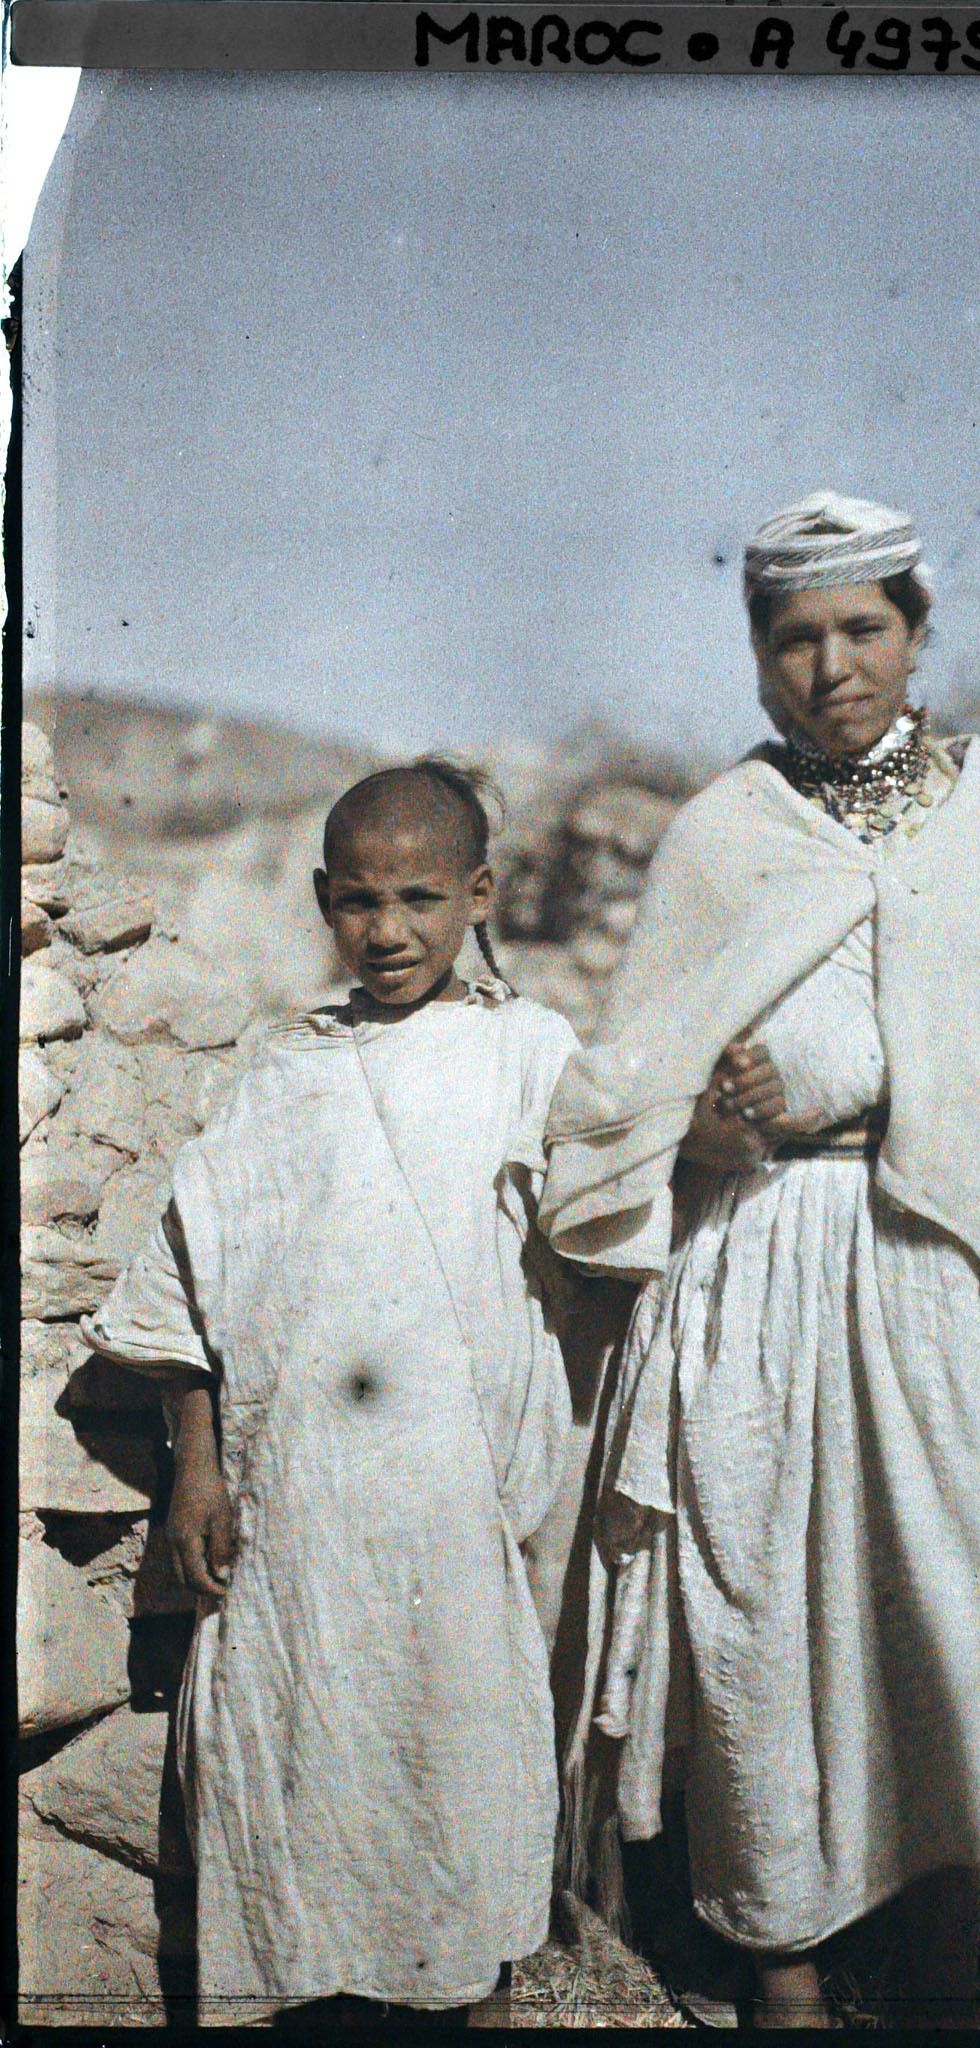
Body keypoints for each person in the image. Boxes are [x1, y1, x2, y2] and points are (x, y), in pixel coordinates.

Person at [540, 492, 980, 2026]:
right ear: (755, 653)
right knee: (757, 1603)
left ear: (914, 634)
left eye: (859, 630)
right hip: (758, 1269)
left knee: (961, 1598)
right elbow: (631, 1090)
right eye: (793, 638)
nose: (828, 666)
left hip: (936, 1276)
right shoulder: (723, 834)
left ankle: (950, 1945)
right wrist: (709, 1124)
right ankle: (779, 1953)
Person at [83, 759, 583, 2030]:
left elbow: (605, 1228)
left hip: (450, 1506)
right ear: (322, 900)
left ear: (480, 895)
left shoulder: (527, 1053)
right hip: (294, 1506)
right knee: (293, 1764)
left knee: (455, 1773)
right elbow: (192, 1281)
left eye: (421, 897)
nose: (389, 930)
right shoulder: (284, 1071)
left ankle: (469, 2000)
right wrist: (197, 1466)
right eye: (360, 900)